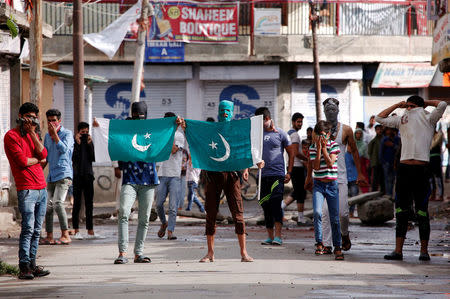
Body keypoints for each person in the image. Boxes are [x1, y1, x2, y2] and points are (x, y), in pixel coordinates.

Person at [376, 95, 446, 261]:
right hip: (405, 169)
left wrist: (424, 103)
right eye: (406, 106)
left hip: (421, 169)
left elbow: (442, 104)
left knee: (422, 211)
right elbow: (379, 118)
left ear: (417, 106)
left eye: (410, 105)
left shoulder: (429, 117)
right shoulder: (402, 119)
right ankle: (398, 251)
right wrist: (397, 105)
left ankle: (424, 251)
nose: (407, 108)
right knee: (401, 211)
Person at [198, 100, 260, 262]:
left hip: (232, 176)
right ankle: (210, 253)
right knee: (211, 214)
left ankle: (244, 252)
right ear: (219, 111)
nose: (225, 112)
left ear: (232, 112)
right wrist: (184, 126)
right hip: (213, 175)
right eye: (223, 110)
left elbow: (244, 148)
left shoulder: (237, 130)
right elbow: (198, 139)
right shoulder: (212, 130)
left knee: (238, 214)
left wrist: (246, 168)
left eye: (228, 110)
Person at [306, 98, 365, 253]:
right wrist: (308, 177)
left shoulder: (346, 130)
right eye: (328, 110)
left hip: (340, 176)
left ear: (338, 111)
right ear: (324, 111)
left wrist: (360, 173)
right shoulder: (318, 130)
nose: (331, 112)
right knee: (324, 213)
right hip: (322, 177)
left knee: (343, 213)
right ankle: (327, 245)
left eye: (334, 109)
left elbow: (355, 151)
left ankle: (344, 234)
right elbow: (311, 155)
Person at [4, 102, 50, 279]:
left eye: (34, 118)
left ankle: (32, 263)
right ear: (22, 117)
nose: (32, 121)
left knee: (37, 230)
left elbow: (44, 154)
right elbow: (22, 161)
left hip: (41, 188)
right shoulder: (11, 136)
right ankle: (23, 266)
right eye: (29, 118)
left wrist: (32, 133)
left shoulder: (33, 134)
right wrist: (38, 160)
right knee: (28, 228)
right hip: (27, 189)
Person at [114, 101, 159, 264]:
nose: (138, 120)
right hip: (130, 179)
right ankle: (122, 253)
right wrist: (100, 127)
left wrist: (175, 125)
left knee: (144, 218)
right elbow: (111, 137)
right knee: (124, 212)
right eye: (135, 117)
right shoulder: (125, 131)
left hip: (149, 179)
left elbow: (166, 136)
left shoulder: (153, 131)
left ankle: (138, 253)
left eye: (141, 117)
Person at [255, 107, 294, 246]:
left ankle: (278, 236)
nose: (260, 125)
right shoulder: (257, 135)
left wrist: (289, 172)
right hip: (263, 175)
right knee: (265, 205)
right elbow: (252, 152)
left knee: (276, 203)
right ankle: (270, 236)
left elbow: (291, 153)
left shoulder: (281, 134)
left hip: (277, 175)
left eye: (261, 121)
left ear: (267, 119)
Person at [308, 120, 344, 260]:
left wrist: (323, 149)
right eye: (318, 135)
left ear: (329, 134)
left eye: (323, 135)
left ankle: (338, 247)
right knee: (317, 212)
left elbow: (330, 163)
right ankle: (319, 242)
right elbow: (316, 167)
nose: (321, 138)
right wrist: (318, 149)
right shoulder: (312, 147)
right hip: (318, 184)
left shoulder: (334, 146)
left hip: (332, 185)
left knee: (335, 218)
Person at [41, 109, 74, 245]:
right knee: (48, 206)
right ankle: (49, 236)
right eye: (49, 120)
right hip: (52, 175)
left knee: (58, 203)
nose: (51, 123)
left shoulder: (67, 134)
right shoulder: (47, 136)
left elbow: (65, 150)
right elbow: (46, 156)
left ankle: (65, 234)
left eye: (54, 120)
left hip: (64, 174)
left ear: (59, 121)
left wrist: (56, 136)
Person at [156, 112, 185, 240]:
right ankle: (164, 222)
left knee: (173, 206)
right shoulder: (160, 135)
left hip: (174, 175)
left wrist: (167, 135)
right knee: (158, 204)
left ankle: (170, 231)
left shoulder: (179, 136)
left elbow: (173, 150)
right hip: (162, 173)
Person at [72, 122, 102, 240]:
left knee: (89, 204)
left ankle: (90, 230)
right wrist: (78, 143)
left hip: (88, 176)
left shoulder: (90, 142)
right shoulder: (74, 143)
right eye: (82, 132)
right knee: (77, 204)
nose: (84, 134)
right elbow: (73, 158)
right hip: (77, 176)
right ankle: (76, 230)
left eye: (86, 132)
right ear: (78, 132)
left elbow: (93, 158)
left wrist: (89, 144)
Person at [281, 113, 309, 225]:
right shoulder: (295, 135)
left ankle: (281, 207)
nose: (300, 124)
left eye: (301, 122)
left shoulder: (289, 133)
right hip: (296, 166)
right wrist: (307, 159)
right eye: (298, 122)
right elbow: (296, 152)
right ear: (293, 122)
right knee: (300, 192)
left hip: (292, 166)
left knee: (298, 192)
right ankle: (300, 218)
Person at [379, 127, 400, 197]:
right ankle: (389, 194)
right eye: (388, 130)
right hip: (386, 162)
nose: (389, 131)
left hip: (395, 162)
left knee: (393, 179)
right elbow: (381, 151)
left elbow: (399, 149)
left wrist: (393, 145)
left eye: (391, 130)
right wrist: (383, 162)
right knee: (387, 179)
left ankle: (393, 194)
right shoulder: (384, 139)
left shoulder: (397, 139)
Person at [367, 125, 385, 193]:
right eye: (377, 129)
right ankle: (374, 192)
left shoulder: (384, 140)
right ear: (375, 131)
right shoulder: (373, 141)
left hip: (383, 162)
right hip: (375, 162)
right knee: (375, 178)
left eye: (380, 129)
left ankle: (383, 192)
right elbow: (369, 152)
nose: (379, 131)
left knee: (382, 178)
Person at [429, 129, 444, 201]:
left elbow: (433, 144)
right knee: (431, 178)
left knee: (438, 177)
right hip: (429, 158)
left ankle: (440, 195)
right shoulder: (428, 135)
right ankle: (433, 194)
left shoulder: (439, 135)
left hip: (436, 158)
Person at [355, 128, 370, 193]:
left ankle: (365, 193)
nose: (358, 135)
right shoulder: (351, 143)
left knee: (363, 177)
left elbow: (366, 155)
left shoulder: (364, 144)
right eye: (357, 133)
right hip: (353, 163)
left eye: (360, 133)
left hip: (362, 163)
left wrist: (367, 163)